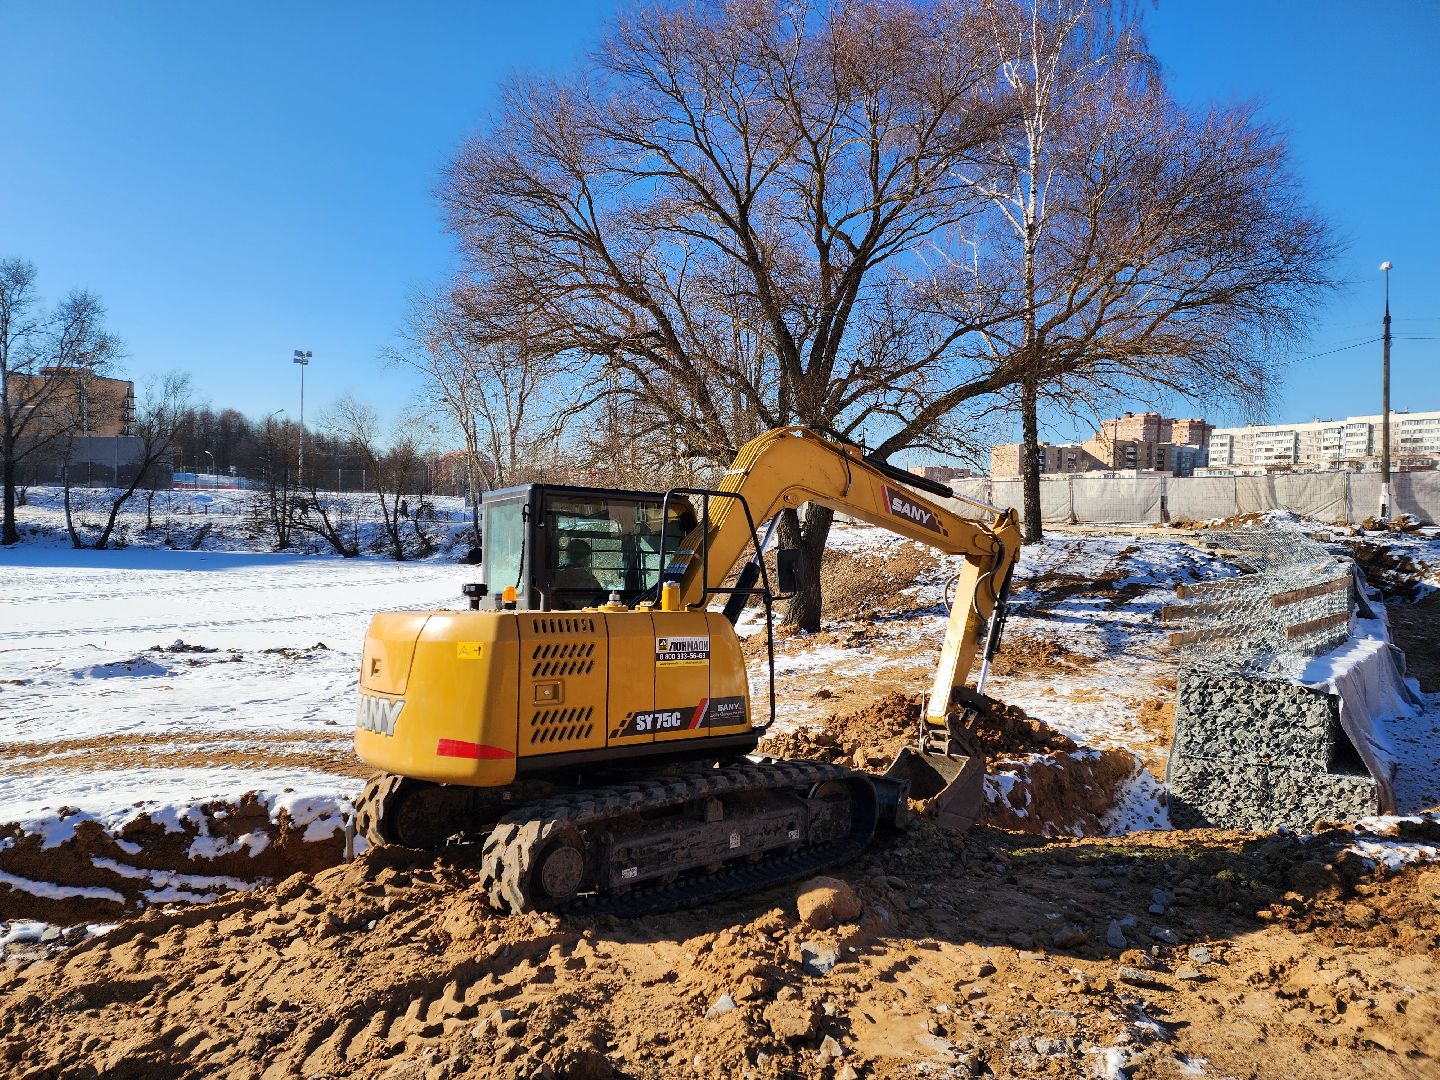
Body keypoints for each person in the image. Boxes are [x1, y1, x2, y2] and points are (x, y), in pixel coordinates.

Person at [554, 537, 605, 607]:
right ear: (582, 558)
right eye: (588, 557)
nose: (590, 561)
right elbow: (600, 600)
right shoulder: (586, 577)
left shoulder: (556, 574)